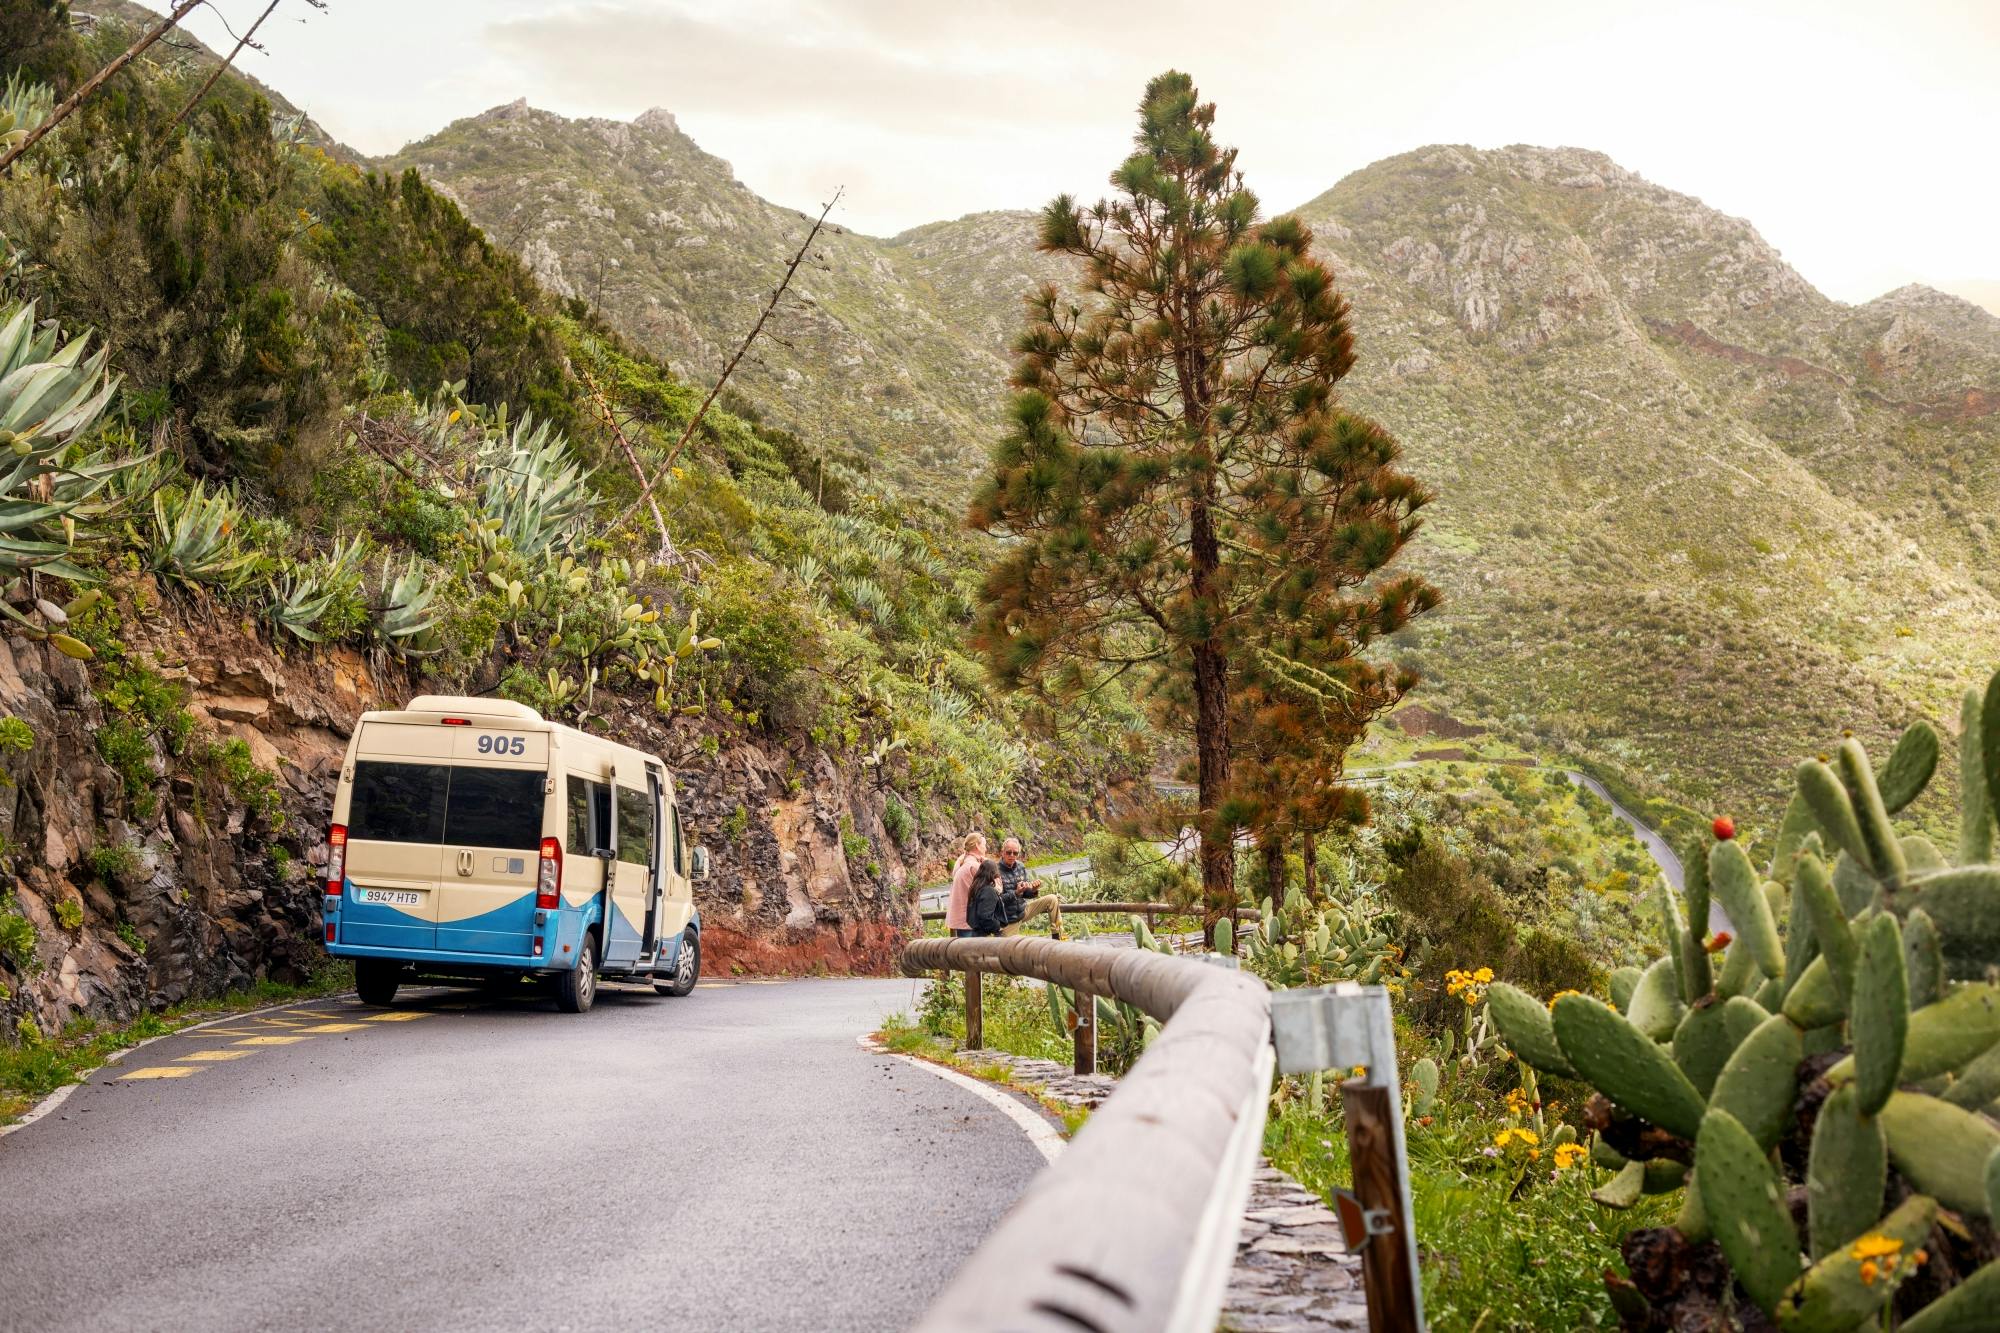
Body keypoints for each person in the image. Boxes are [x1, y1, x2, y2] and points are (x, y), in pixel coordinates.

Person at [996, 836, 1064, 939]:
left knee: (1052, 899)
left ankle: (1057, 937)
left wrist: (1033, 889)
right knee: (1009, 948)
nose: (1012, 855)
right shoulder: (995, 871)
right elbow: (997, 901)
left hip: (1023, 911)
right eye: (1009, 852)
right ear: (1002, 852)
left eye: (1015, 853)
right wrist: (1016, 893)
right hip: (1008, 919)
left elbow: (1026, 894)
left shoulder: (1020, 866)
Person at [945, 833, 986, 938]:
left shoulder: (961, 863)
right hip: (972, 920)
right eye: (984, 845)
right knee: (976, 948)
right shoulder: (975, 866)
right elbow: (994, 887)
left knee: (964, 948)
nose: (986, 848)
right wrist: (988, 866)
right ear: (977, 846)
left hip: (961, 920)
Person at [966, 858, 1007, 937]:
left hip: (976, 933)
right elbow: (985, 917)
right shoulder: (988, 891)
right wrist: (998, 927)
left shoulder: (975, 888)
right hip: (987, 935)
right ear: (994, 873)